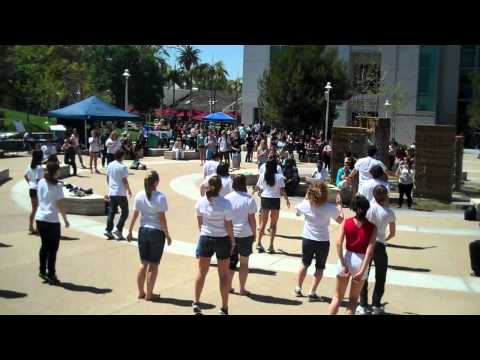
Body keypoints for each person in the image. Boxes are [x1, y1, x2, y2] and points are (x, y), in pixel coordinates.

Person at [127, 171, 172, 301]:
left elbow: (135, 215)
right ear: (156, 182)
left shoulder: (140, 195)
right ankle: (149, 294)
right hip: (156, 232)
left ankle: (141, 292)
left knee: (143, 264)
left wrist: (130, 231)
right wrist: (167, 234)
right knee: (153, 264)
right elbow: (162, 218)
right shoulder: (160, 197)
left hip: (143, 231)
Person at [294, 182, 344, 301]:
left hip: (307, 239)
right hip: (322, 240)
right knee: (320, 267)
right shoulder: (330, 208)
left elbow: (297, 213)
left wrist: (306, 199)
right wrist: (340, 207)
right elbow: (342, 221)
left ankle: (298, 288)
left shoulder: (305, 204)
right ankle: (312, 292)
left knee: (304, 263)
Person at [328, 195, 377, 315]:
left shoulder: (346, 222)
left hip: (346, 257)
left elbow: (338, 243)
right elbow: (370, 251)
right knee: (353, 300)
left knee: (337, 297)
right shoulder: (372, 227)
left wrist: (343, 262)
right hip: (361, 261)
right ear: (367, 208)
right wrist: (362, 270)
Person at [193, 175, 234, 315]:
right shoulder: (226, 203)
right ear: (221, 187)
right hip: (222, 239)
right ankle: (224, 307)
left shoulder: (201, 202)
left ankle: (196, 302)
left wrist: (204, 233)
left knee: (201, 272)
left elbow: (200, 223)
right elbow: (229, 226)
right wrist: (232, 241)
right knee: (223, 275)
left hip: (205, 237)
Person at [358, 185, 396, 315]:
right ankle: (376, 304)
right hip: (380, 245)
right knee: (380, 276)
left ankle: (362, 304)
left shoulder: (367, 209)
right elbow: (392, 233)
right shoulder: (389, 213)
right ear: (385, 196)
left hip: (366, 244)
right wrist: (383, 238)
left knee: (363, 274)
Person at [35, 161, 70, 284]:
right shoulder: (57, 186)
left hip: (40, 218)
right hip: (51, 220)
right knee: (53, 249)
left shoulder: (41, 182)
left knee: (45, 245)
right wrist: (65, 220)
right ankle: (51, 273)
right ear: (55, 171)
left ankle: (42, 270)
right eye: (58, 170)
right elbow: (60, 205)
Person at [225, 175, 258, 295]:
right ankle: (242, 288)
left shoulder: (227, 198)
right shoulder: (249, 199)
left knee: (231, 262)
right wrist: (255, 234)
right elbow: (252, 220)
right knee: (244, 263)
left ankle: (228, 286)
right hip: (245, 233)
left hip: (230, 233)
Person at [256, 159, 290, 254]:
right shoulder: (279, 177)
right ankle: (270, 246)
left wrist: (258, 192)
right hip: (275, 199)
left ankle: (258, 243)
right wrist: (287, 200)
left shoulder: (263, 175)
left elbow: (258, 187)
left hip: (265, 199)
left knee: (263, 223)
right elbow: (282, 190)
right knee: (273, 224)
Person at [105, 150, 132, 240]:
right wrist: (129, 190)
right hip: (120, 192)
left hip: (112, 192)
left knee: (112, 212)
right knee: (125, 212)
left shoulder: (110, 164)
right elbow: (124, 180)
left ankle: (108, 230)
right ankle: (118, 229)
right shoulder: (123, 167)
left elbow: (108, 178)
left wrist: (110, 188)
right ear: (122, 156)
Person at [24, 150, 44, 234]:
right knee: (39, 209)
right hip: (38, 190)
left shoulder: (29, 165)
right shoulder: (39, 168)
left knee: (34, 209)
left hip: (31, 189)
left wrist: (30, 183)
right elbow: (39, 180)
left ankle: (30, 226)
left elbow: (25, 175)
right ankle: (38, 229)